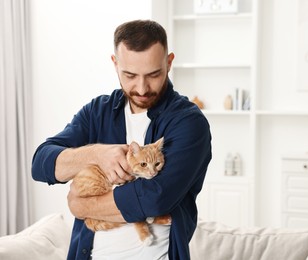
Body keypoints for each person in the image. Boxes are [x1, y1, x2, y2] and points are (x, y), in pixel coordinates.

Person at [31, 19, 212, 260]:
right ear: (115, 64)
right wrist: (96, 154)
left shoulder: (188, 122)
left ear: (169, 63)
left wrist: (81, 205)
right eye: (129, 75)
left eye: (154, 74)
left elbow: (154, 198)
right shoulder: (97, 112)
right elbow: (41, 164)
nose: (142, 87)